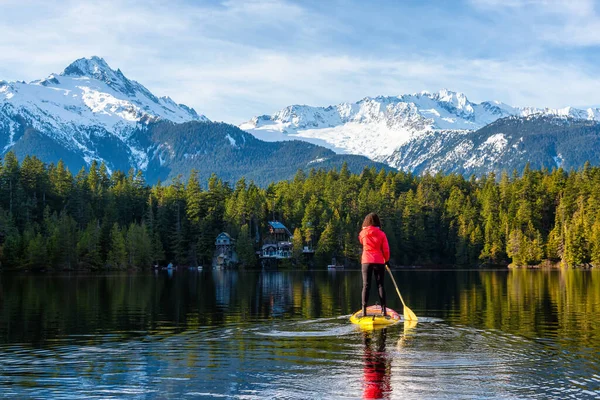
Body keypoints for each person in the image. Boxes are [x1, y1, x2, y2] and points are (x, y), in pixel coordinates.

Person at [358, 212, 390, 317]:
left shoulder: (362, 233)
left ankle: (364, 310)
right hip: (379, 261)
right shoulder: (382, 234)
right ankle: (384, 310)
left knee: (366, 285)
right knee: (380, 285)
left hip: (366, 261)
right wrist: (387, 260)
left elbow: (361, 242)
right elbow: (386, 249)